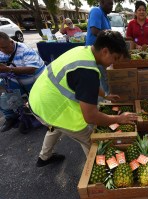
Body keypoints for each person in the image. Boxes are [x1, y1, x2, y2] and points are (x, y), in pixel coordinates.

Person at [29, 30, 137, 167]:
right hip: (51, 107)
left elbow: (81, 82)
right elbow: (90, 117)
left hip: (38, 99)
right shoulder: (88, 72)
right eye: (114, 58)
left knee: (55, 127)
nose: (111, 64)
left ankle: (44, 157)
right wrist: (119, 119)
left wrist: (105, 95)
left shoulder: (83, 51)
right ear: (104, 51)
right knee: (92, 141)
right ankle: (95, 176)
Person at [0, 31, 46, 133]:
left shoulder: (25, 49)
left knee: (39, 100)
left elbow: (31, 69)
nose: (2, 50)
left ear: (11, 42)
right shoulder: (1, 51)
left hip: (36, 80)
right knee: (5, 96)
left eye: (4, 47)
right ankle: (12, 117)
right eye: (0, 48)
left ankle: (43, 116)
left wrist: (8, 69)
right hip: (15, 80)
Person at [85, 0, 114, 97]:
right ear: (101, 2)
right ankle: (107, 100)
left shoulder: (105, 16)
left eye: (112, 4)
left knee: (104, 77)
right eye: (109, 4)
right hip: (95, 53)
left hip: (102, 53)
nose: (111, 7)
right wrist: (112, 37)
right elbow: (95, 31)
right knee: (102, 77)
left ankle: (106, 97)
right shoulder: (96, 11)